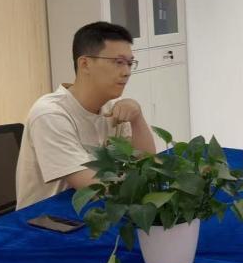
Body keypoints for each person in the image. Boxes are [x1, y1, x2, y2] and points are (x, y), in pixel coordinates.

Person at [16, 22, 156, 209]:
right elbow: (95, 187)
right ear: (85, 64)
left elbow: (147, 167)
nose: (127, 72)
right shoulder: (50, 114)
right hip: (48, 218)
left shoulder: (114, 107)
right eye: (118, 62)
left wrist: (137, 118)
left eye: (130, 63)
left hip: (97, 209)